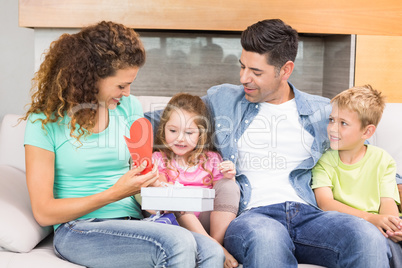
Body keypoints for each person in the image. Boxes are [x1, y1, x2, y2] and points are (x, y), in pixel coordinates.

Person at [146, 18, 392, 267]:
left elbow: (367, 155)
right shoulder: (223, 100)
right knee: (267, 240)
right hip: (253, 216)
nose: (243, 78)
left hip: (310, 215)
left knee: (366, 237)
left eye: (256, 72)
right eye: (242, 67)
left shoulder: (322, 112)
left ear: (285, 70)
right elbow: (161, 119)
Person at [23, 21, 224, 268]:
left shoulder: (129, 109)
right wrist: (115, 194)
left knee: (212, 253)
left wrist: (154, 186)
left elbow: (143, 173)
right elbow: (44, 212)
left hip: (133, 222)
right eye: (121, 85)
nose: (128, 93)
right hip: (79, 229)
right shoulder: (43, 123)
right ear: (90, 78)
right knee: (177, 243)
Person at [311, 85, 402, 268]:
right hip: (348, 227)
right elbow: (326, 203)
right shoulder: (324, 160)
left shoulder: (382, 160)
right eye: (331, 120)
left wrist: (393, 226)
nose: (332, 128)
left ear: (367, 132)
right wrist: (370, 219)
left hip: (380, 227)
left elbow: (388, 203)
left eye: (343, 123)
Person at [152, 92, 240, 268]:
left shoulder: (212, 158)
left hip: (208, 222)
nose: (180, 138)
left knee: (229, 186)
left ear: (201, 134)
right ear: (163, 129)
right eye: (173, 131)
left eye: (189, 132)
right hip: (176, 223)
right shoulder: (158, 158)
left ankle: (213, 243)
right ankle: (214, 248)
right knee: (172, 195)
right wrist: (158, 181)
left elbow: (221, 195)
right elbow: (159, 190)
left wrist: (229, 176)